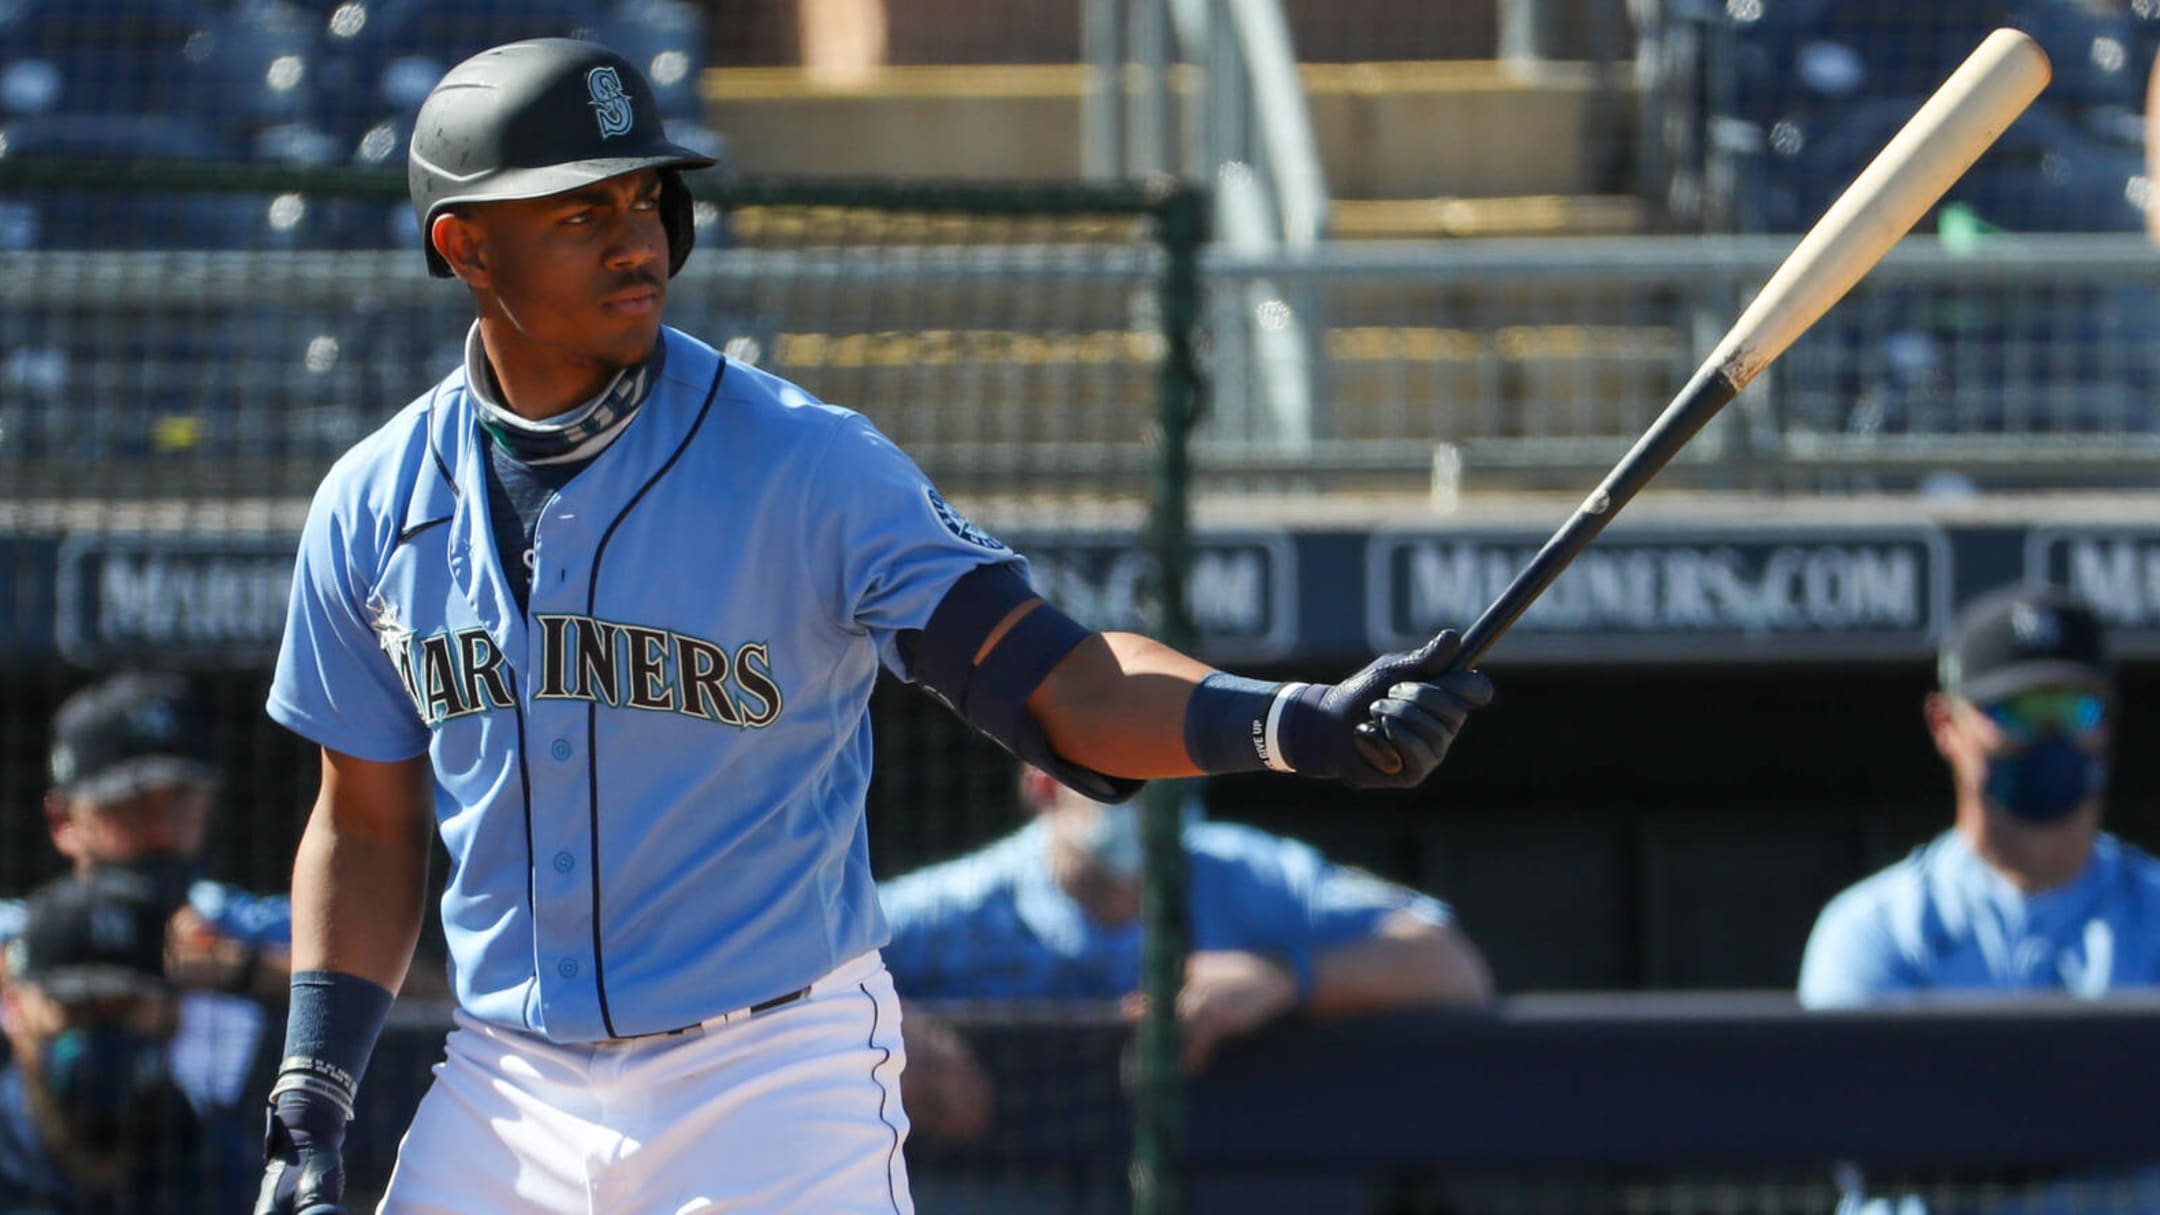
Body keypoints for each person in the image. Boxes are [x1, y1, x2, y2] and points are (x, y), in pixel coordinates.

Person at [254, 36, 1491, 1215]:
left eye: (647, 202)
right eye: (584, 213)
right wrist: (313, 1096)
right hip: (507, 1077)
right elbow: (365, 824)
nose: (637, 241)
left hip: (768, 1073)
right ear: (467, 246)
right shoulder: (374, 502)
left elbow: (1063, 681)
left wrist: (1288, 722)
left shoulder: (807, 464)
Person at [882, 764, 1492, 1140]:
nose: (1149, 792)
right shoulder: (955, 905)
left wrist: (1282, 977)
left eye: (1168, 767)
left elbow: (1454, 967)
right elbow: (800, 958)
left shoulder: (1246, 873)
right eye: (1121, 771)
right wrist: (880, 1025)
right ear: (1043, 785)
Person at [1799, 584, 2160, 1212]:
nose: (2052, 736)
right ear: (1947, 724)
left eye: (2074, 711)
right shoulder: (1875, 930)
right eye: (2019, 712)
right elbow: (1869, 1147)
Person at [0, 672, 292, 1114]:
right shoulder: (23, 929)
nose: (160, 828)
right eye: (129, 805)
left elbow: (418, 984)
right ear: (64, 819)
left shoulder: (231, 924)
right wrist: (63, 965)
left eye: (178, 800)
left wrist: (240, 969)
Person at [0, 869, 255, 1214]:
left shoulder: (220, 1168)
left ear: (173, 1009)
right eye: (78, 1009)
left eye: (126, 1006)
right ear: (15, 1006)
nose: (103, 1033)